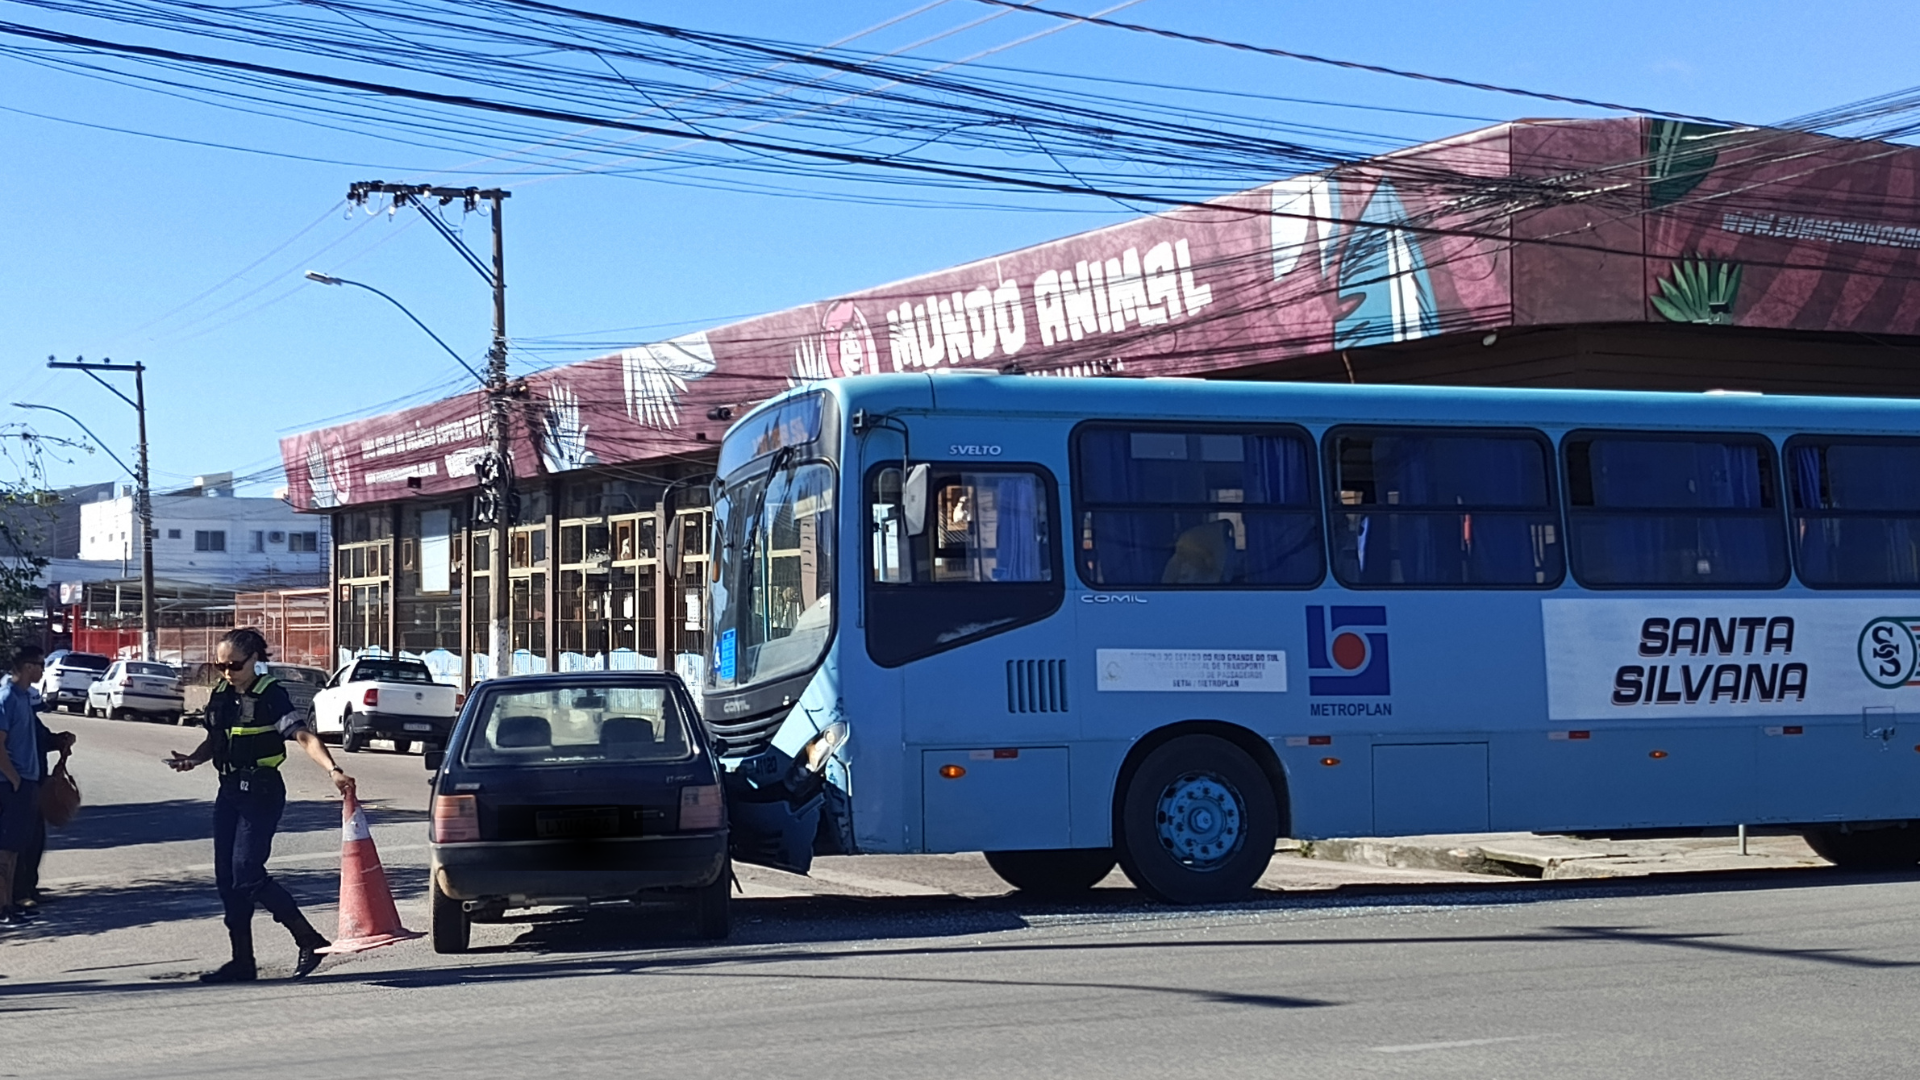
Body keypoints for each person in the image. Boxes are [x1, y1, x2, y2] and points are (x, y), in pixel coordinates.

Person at [167, 629, 354, 982]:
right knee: (228, 880)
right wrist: (192, 760)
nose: (226, 672)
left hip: (262, 792)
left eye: (234, 665)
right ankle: (242, 961)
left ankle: (309, 940)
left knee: (247, 871)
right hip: (229, 791)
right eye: (219, 665)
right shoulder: (221, 693)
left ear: (254, 660)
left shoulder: (271, 694)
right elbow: (216, 739)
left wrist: (333, 769)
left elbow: (302, 735)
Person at [0, 644, 73, 927]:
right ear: (28, 666)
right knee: (5, 852)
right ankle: (3, 908)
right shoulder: (6, 697)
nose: (43, 670)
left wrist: (59, 741)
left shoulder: (22, 698)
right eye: (40, 664)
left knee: (17, 849)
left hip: (26, 784)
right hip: (10, 786)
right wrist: (16, 779)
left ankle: (13, 901)